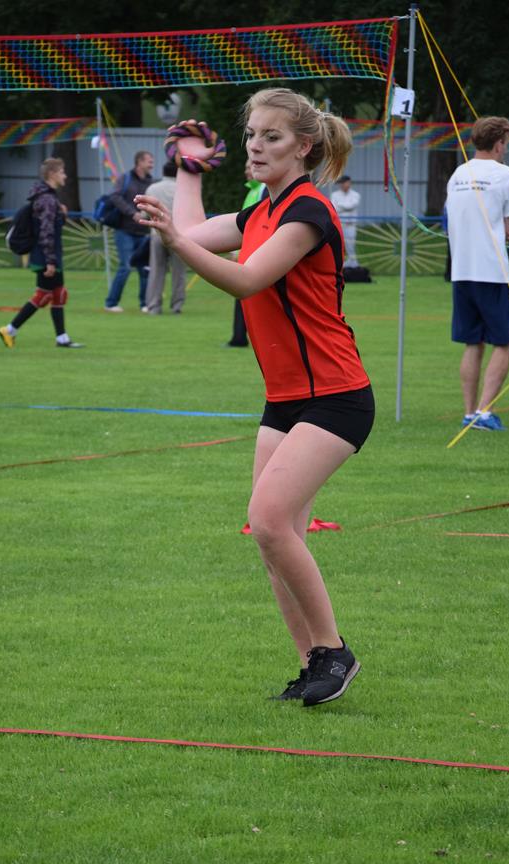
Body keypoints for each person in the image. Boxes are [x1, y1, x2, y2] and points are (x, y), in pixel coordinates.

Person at [135, 90, 375, 709]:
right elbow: (193, 232)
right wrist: (189, 171)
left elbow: (244, 279)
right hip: (285, 400)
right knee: (273, 538)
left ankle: (335, 651)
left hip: (337, 397)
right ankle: (313, 665)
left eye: (272, 136)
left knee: (269, 521)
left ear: (303, 147)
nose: (256, 146)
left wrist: (175, 240)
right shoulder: (258, 212)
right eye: (251, 136)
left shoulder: (307, 212)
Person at [446, 116, 509, 431]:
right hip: (494, 272)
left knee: (472, 343)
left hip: (462, 272)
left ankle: (470, 412)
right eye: (506, 142)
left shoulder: (458, 174)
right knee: (505, 342)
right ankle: (484, 412)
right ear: (499, 143)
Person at [0, 157, 82, 350]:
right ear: (52, 174)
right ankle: (10, 329)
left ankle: (62, 338)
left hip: (48, 255)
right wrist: (50, 261)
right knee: (43, 296)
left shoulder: (46, 197)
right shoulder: (47, 199)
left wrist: (62, 215)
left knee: (58, 293)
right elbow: (46, 232)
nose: (65, 176)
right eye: (62, 172)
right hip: (46, 256)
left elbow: (51, 225)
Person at [104, 151, 155, 313]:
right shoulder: (125, 178)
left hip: (144, 232)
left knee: (145, 268)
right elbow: (114, 197)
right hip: (124, 231)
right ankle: (111, 303)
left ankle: (145, 304)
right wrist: (132, 213)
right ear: (139, 162)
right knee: (125, 267)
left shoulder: (151, 183)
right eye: (149, 161)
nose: (152, 164)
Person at [226, 160, 267, 347]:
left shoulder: (263, 190)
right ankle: (239, 337)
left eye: (249, 167)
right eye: (245, 168)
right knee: (242, 297)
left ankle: (241, 337)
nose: (247, 172)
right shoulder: (252, 191)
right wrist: (236, 250)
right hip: (246, 252)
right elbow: (244, 226)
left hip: (257, 255)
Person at [144, 161, 186, 315]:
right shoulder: (183, 189)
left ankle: (154, 306)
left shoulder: (152, 188)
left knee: (156, 270)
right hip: (177, 234)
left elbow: (145, 212)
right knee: (179, 271)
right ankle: (177, 305)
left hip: (157, 233)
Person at [330, 174, 361, 268]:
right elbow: (334, 208)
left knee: (350, 244)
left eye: (345, 182)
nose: (343, 185)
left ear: (349, 183)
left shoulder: (355, 195)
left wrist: (340, 205)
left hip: (350, 224)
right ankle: (338, 263)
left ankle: (353, 263)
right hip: (339, 224)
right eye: (341, 183)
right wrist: (345, 207)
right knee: (337, 244)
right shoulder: (334, 195)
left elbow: (352, 205)